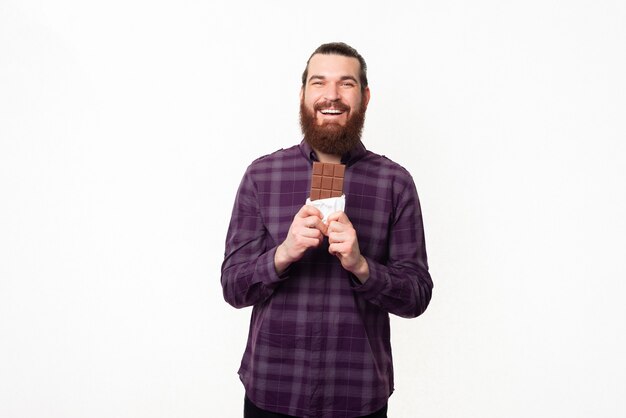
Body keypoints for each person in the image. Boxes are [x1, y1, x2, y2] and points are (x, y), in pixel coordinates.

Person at [221, 42, 433, 418]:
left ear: (364, 97)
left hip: (357, 395)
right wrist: (282, 254)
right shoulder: (262, 176)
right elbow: (233, 288)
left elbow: (416, 296)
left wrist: (361, 265)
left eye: (346, 83)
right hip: (273, 391)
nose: (331, 95)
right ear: (303, 94)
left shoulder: (395, 182)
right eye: (319, 82)